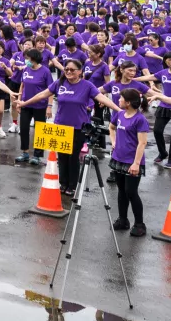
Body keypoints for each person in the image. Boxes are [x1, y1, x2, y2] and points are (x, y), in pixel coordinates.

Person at [16, 58, 122, 195]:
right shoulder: (59, 83)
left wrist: (120, 111)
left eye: (72, 70)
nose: (69, 72)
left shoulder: (87, 86)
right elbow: (42, 94)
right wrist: (24, 103)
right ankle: (63, 183)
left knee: (73, 156)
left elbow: (102, 98)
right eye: (66, 69)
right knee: (62, 156)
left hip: (78, 127)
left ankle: (72, 186)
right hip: (61, 127)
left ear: (80, 71)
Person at [109, 88, 151, 237]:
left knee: (131, 192)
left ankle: (139, 224)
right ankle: (123, 220)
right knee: (121, 190)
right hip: (118, 158)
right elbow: (111, 127)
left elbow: (142, 143)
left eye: (120, 98)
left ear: (128, 102)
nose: (118, 100)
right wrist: (113, 142)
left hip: (132, 161)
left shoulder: (140, 119)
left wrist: (136, 164)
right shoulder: (120, 114)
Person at [137, 51, 171, 168]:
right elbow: (149, 77)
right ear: (165, 61)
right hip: (164, 105)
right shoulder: (163, 73)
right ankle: (163, 153)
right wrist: (133, 79)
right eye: (169, 60)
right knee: (157, 131)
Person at [14, 48, 51, 165]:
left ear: (34, 59)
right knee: (24, 128)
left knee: (39, 130)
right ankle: (25, 152)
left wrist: (49, 106)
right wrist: (19, 101)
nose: (26, 61)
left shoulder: (45, 71)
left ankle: (37, 155)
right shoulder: (26, 69)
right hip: (25, 104)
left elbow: (51, 91)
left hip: (40, 106)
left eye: (28, 58)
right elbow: (22, 86)